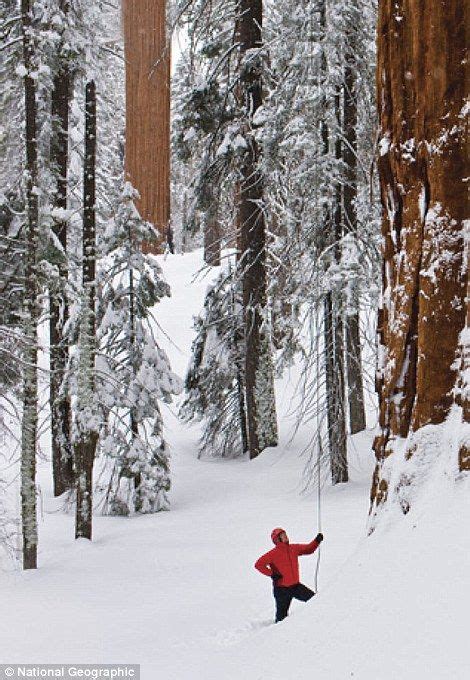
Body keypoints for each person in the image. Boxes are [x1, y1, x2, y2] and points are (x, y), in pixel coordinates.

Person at [254, 527, 324, 623]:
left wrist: (317, 541)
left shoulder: (293, 548)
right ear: (277, 539)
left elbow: (309, 549)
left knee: (314, 600)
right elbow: (258, 565)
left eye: (285, 534)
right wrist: (272, 574)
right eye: (282, 536)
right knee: (281, 619)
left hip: (296, 586)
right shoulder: (272, 554)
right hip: (281, 590)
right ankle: (275, 634)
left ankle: (319, 621)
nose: (286, 537)